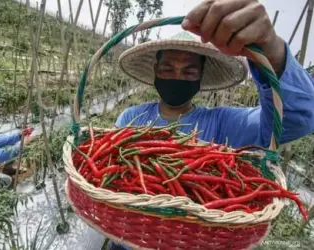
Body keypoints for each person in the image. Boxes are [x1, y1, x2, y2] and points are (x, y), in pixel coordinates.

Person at [107, 0, 314, 249]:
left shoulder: (223, 123)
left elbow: (296, 120)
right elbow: (112, 179)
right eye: (168, 68)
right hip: (128, 239)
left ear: (200, 77)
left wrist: (272, 51)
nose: (177, 77)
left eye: (189, 72)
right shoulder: (131, 118)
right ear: (155, 70)